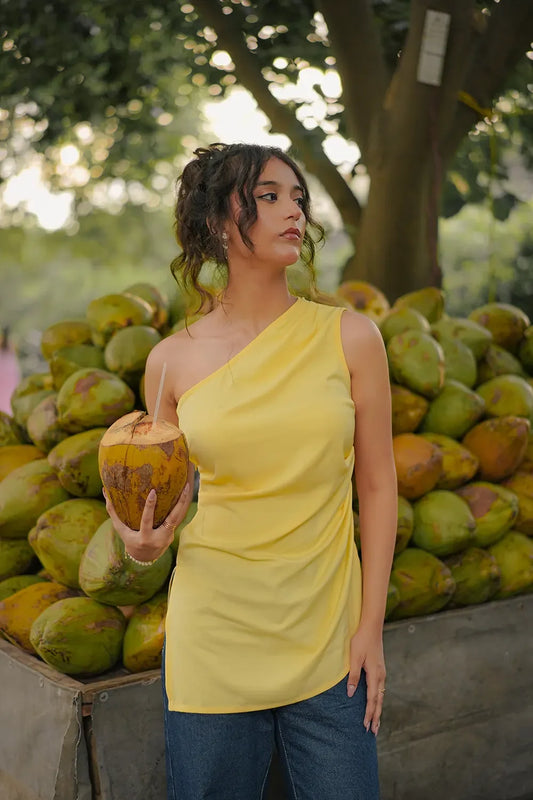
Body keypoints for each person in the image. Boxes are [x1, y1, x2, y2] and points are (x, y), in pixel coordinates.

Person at [104, 142, 398, 800]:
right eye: (267, 196)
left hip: (329, 640)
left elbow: (377, 487)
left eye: (296, 197)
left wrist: (369, 631)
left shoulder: (350, 337)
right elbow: (154, 498)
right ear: (215, 221)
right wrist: (146, 548)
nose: (291, 210)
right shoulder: (169, 362)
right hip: (214, 634)